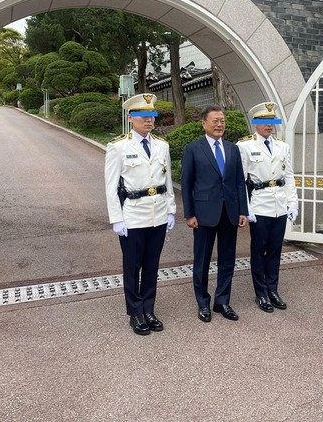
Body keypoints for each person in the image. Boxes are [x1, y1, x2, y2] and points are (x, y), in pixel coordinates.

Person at [104, 93, 176, 336]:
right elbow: (111, 186)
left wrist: (171, 210)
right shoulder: (118, 147)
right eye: (143, 116)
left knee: (152, 265)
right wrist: (117, 219)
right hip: (133, 215)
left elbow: (167, 180)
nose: (149, 120)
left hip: (158, 215)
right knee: (133, 266)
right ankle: (135, 312)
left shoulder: (162, 145)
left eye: (152, 115)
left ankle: (149, 308)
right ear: (130, 117)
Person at [181, 106, 248, 323]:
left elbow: (239, 181)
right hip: (203, 214)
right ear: (204, 123)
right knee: (202, 260)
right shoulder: (193, 149)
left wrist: (242, 210)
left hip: (229, 212)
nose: (220, 125)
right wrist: (189, 214)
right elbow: (186, 183)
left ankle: (222, 301)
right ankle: (203, 303)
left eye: (222, 121)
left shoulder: (233, 149)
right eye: (215, 121)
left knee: (227, 259)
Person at [237, 102, 298, 313]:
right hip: (259, 205)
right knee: (258, 250)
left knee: (275, 250)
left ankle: (273, 289)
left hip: (279, 204)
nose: (269, 125)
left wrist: (293, 203)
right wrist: (246, 208)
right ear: (256, 123)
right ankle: (261, 292)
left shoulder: (283, 146)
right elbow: (242, 180)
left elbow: (288, 176)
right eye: (264, 121)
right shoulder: (245, 146)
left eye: (271, 121)